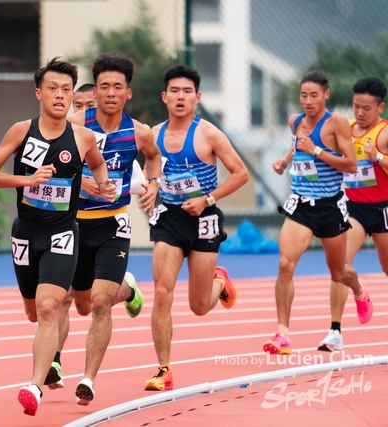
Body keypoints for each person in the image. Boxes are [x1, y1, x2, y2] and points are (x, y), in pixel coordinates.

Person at [0, 57, 116, 416]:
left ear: (73, 96)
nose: (60, 95)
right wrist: (28, 179)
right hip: (26, 233)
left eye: (66, 90)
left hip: (62, 233)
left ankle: (34, 386)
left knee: (49, 307)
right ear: (39, 92)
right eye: (52, 88)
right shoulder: (21, 132)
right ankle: (41, 373)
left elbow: (98, 162)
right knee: (32, 312)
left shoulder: (83, 136)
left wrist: (103, 185)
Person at [49, 52, 162, 406]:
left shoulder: (138, 132)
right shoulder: (76, 128)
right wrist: (85, 186)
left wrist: (155, 183)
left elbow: (154, 156)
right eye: (103, 86)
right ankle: (127, 291)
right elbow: (59, 168)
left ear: (128, 92)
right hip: (73, 224)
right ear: (94, 92)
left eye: (118, 86)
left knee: (98, 305)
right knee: (72, 301)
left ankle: (88, 379)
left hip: (113, 224)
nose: (110, 92)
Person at [144, 65, 249, 391]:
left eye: (187, 92)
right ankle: (164, 369)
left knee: (199, 306)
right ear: (164, 96)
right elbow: (149, 169)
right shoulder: (153, 135)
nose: (180, 97)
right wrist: (149, 187)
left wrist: (207, 198)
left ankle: (220, 281)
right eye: (174, 91)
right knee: (162, 293)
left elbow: (240, 173)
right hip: (169, 220)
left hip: (204, 219)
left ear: (197, 97)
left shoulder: (210, 135)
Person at [267, 70, 373, 355]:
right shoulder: (295, 121)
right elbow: (296, 147)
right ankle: (282, 333)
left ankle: (359, 288)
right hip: (301, 203)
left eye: (314, 95)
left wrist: (316, 151)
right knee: (285, 264)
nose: (308, 101)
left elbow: (351, 165)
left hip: (330, 205)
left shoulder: (336, 123)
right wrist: (284, 161)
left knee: (339, 272)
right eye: (303, 95)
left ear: (326, 95)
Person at [318, 77, 385, 351]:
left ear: (380, 108)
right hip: (354, 207)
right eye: (356, 106)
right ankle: (335, 331)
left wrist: (377, 157)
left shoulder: (383, 133)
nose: (359, 112)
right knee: (339, 267)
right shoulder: (344, 129)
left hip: (383, 209)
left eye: (366, 108)